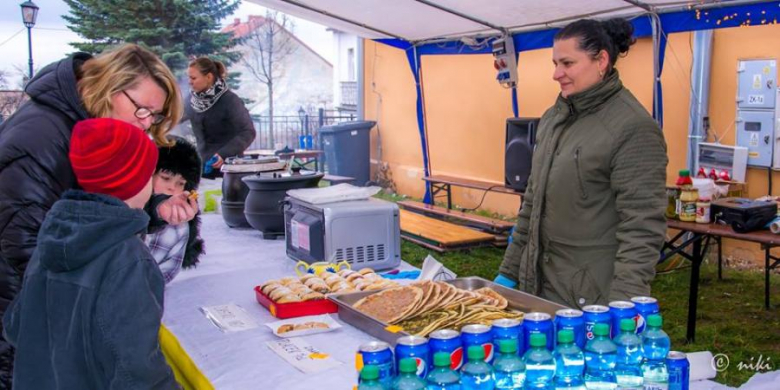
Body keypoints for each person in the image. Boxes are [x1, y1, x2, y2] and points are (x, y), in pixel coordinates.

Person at [0, 43, 197, 387]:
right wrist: (108, 294)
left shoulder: (82, 125)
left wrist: (152, 209)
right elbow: (25, 247)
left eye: (155, 116)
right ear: (109, 87)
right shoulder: (43, 136)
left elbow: (87, 206)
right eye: (142, 110)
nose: (147, 123)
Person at [494, 18, 668, 309]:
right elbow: (531, 205)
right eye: (554, 63)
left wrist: (623, 307)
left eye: (567, 63)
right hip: (536, 287)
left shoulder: (633, 128)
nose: (556, 74)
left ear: (601, 60)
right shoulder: (553, 118)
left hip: (589, 299)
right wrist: (508, 274)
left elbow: (642, 230)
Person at [3, 118, 179, 389]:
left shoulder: (53, 235)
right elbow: (138, 370)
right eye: (150, 175)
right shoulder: (128, 259)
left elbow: (15, 325)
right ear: (133, 182)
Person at [146, 136, 206, 283]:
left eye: (181, 183)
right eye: (165, 178)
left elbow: (167, 272)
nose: (172, 187)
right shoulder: (127, 209)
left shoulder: (179, 227)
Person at [184, 57, 256, 178]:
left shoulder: (230, 101)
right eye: (189, 78)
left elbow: (248, 132)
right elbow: (173, 118)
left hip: (229, 172)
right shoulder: (191, 101)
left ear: (209, 77)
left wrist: (223, 154)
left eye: (193, 78)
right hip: (201, 170)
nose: (189, 82)